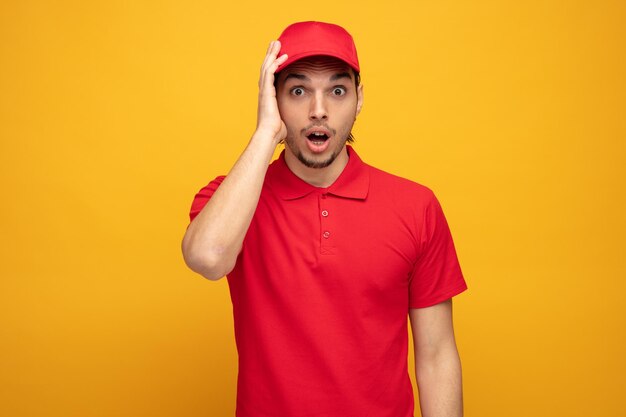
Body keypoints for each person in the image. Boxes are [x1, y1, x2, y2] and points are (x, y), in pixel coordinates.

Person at [182, 21, 468, 417]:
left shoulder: (415, 206)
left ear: (359, 98)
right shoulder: (231, 199)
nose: (319, 111)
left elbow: (436, 355)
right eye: (298, 91)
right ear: (273, 99)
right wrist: (266, 132)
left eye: (337, 91)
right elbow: (207, 257)